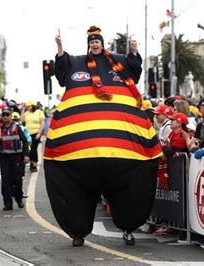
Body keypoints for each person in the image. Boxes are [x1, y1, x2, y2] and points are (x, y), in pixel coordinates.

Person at [45, 26, 162, 246]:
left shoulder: (118, 62)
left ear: (102, 42)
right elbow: (61, 74)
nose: (95, 44)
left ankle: (129, 225)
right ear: (89, 43)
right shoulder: (76, 62)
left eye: (97, 41)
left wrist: (134, 53)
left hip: (125, 151)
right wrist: (60, 48)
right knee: (72, 186)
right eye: (92, 41)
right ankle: (77, 230)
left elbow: (134, 75)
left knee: (134, 183)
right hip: (76, 152)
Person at [0, 109, 30, 210]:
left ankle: (19, 199)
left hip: (16, 157)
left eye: (7, 115)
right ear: (1, 117)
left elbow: (25, 141)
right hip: (4, 158)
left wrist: (26, 155)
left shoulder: (17, 127)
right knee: (5, 181)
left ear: (11, 116)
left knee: (17, 180)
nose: (5, 117)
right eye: (4, 115)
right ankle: (7, 203)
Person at [21, 100, 45, 172]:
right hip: (27, 133)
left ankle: (34, 164)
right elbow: (21, 121)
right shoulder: (26, 113)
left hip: (36, 133)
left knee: (34, 148)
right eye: (27, 107)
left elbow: (42, 123)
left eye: (29, 106)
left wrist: (39, 134)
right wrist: (23, 110)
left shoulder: (39, 112)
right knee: (28, 149)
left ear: (33, 106)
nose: (28, 108)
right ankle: (31, 163)